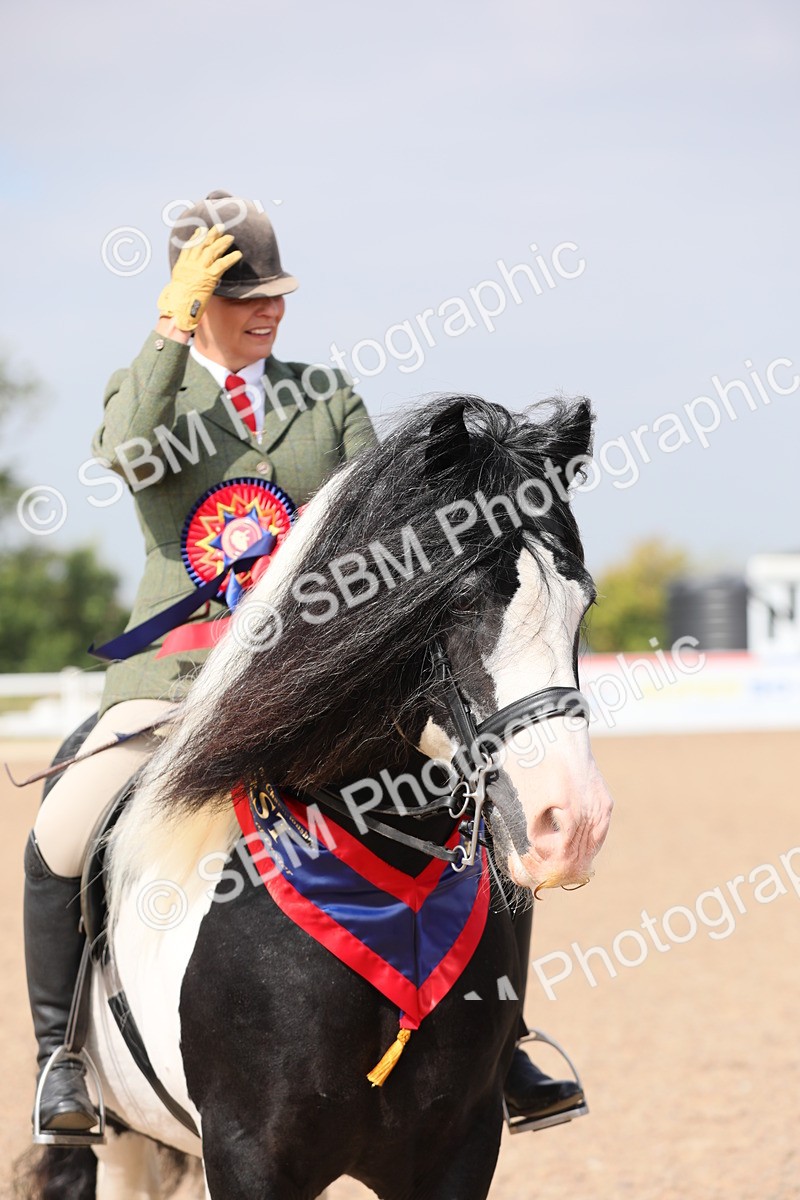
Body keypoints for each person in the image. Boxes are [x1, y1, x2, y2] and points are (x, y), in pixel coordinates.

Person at [22, 191, 582, 1138]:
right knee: (63, 835)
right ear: (194, 301)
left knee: (476, 804)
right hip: (177, 681)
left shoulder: (323, 397)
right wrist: (165, 332)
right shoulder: (147, 395)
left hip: (311, 685)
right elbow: (127, 451)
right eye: (244, 296)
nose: (269, 310)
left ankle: (506, 1037)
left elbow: (384, 514)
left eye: (277, 293)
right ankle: (61, 1064)